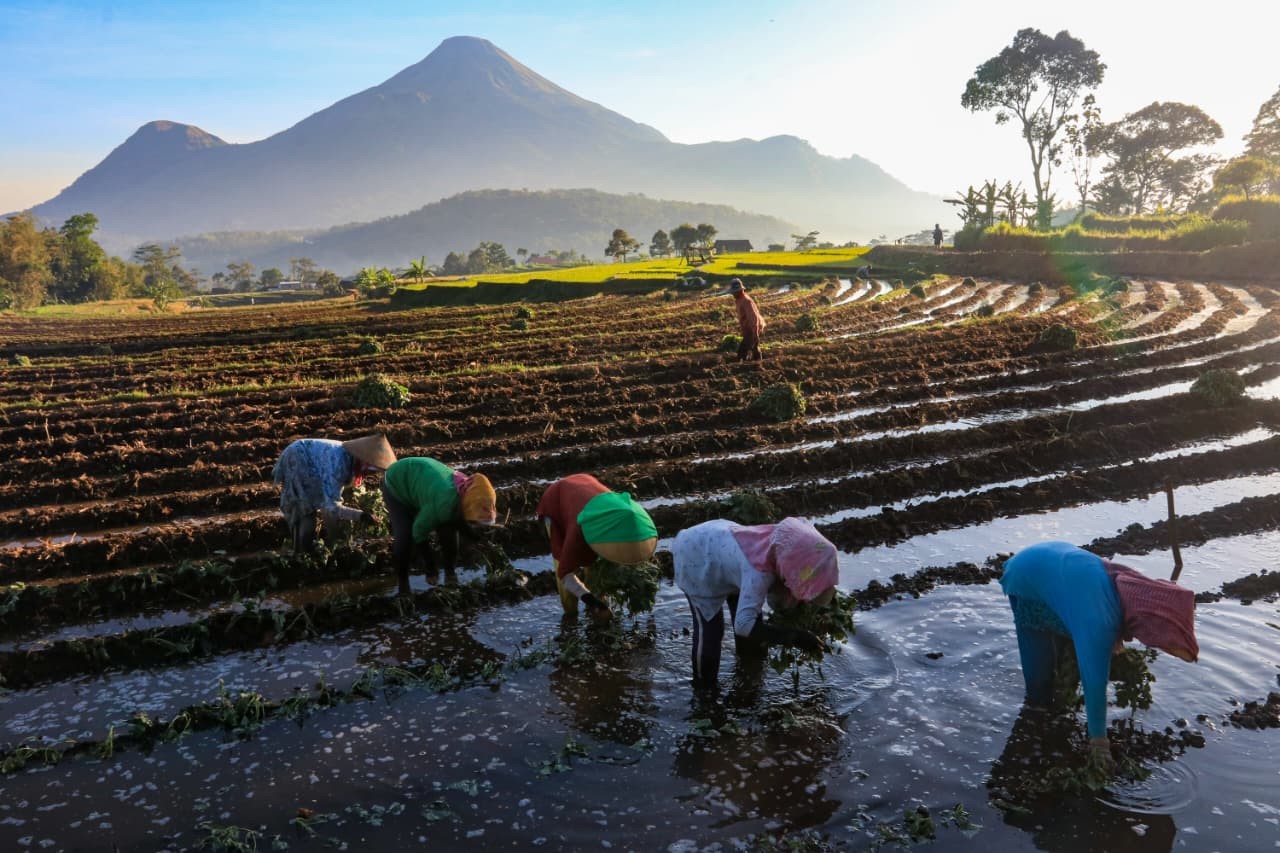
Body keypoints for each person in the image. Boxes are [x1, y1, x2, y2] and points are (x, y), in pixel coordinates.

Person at [1000, 541, 1198, 761]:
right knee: (1040, 685)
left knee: (1072, 640)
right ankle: (1032, 738)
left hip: (1055, 567)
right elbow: (1094, 682)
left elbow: (1108, 612)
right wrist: (1099, 743)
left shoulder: (1130, 587)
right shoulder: (1098, 619)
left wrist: (1112, 642)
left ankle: (1047, 726)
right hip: (1026, 576)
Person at [673, 517, 838, 687]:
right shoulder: (760, 573)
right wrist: (793, 637)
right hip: (697, 557)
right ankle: (704, 689)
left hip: (725, 550)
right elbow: (743, 625)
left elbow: (808, 574)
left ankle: (748, 678)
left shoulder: (787, 547)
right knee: (711, 631)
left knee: (753, 635)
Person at [536, 474, 658, 621]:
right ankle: (570, 615)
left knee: (595, 567)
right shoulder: (577, 532)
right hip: (556, 501)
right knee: (564, 561)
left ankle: (596, 600)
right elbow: (565, 574)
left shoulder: (623, 515)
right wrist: (592, 602)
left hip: (585, 487)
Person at [381, 456, 498, 594]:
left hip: (424, 478)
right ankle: (403, 585)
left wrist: (476, 539)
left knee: (448, 527)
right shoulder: (443, 505)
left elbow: (458, 520)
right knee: (405, 535)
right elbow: (418, 532)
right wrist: (431, 568)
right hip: (397, 480)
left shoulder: (469, 493)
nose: (475, 524)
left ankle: (450, 574)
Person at [271, 434, 395, 552]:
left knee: (321, 505)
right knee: (306, 509)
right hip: (298, 459)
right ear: (365, 463)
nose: (368, 476)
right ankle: (302, 552)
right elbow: (333, 507)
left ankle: (329, 543)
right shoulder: (340, 463)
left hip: (308, 460)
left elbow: (330, 500)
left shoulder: (350, 458)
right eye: (370, 471)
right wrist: (361, 515)